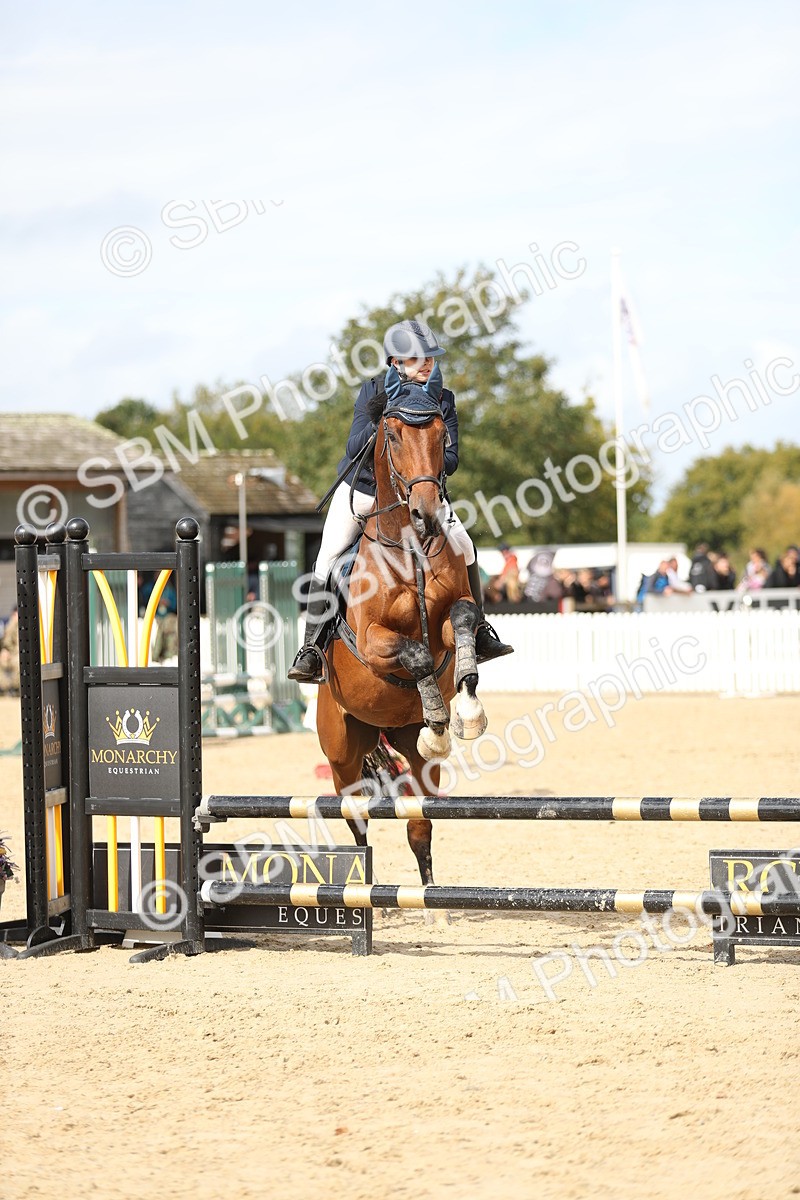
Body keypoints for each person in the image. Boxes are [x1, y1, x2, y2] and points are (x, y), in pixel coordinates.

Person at [288, 319, 513, 682]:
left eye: (429, 357)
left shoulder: (443, 399)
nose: (426, 363)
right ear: (395, 362)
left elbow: (451, 460)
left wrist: (428, 461)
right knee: (327, 558)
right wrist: (384, 409)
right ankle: (311, 649)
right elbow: (353, 446)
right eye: (416, 358)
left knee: (467, 548)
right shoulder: (373, 390)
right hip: (363, 493)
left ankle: (480, 631)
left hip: (419, 494)